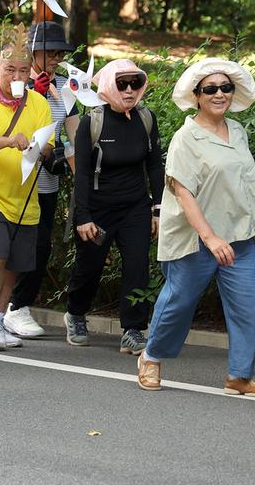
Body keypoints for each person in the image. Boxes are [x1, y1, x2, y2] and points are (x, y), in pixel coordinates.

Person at [137, 58, 255, 397]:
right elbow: (183, 192)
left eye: (225, 87)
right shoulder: (187, 138)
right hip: (196, 237)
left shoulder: (237, 131)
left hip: (238, 236)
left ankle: (239, 375)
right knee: (178, 301)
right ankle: (151, 356)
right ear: (196, 95)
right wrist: (209, 237)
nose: (219, 94)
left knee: (247, 307)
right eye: (210, 89)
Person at [63, 59, 163, 354]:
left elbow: (155, 166)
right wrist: (83, 216)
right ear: (107, 85)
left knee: (137, 267)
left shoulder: (147, 119)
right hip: (98, 209)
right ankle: (76, 313)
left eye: (135, 82)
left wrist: (158, 208)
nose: (130, 90)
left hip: (135, 208)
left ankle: (133, 329)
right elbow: (81, 173)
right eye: (122, 83)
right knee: (89, 267)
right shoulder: (91, 122)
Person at [0, 29, 54, 350]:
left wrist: (38, 147)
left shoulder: (39, 103)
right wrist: (9, 140)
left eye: (22, 70)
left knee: (14, 266)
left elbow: (49, 146)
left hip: (26, 198)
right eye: (10, 69)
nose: (16, 76)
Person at [5, 21, 79, 339]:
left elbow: (73, 134)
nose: (55, 58)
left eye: (59, 53)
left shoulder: (64, 87)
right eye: (49, 51)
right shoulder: (15, 83)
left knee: (40, 244)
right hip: (11, 176)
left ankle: (18, 306)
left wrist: (80, 174)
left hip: (45, 179)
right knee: (6, 244)